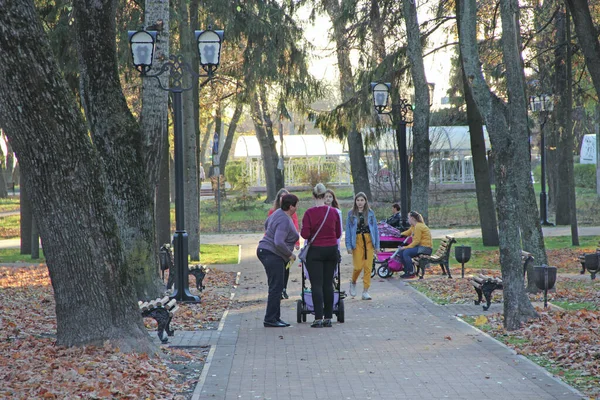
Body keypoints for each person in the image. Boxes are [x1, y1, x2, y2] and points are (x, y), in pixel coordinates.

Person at [301, 183, 342, 328]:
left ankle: (318, 317)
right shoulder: (334, 213)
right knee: (328, 284)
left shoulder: (309, 213)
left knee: (316, 284)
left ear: (313, 196)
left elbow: (305, 234)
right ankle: (329, 317)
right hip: (331, 250)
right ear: (325, 196)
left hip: (315, 251)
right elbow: (338, 234)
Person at [257, 194, 300, 327]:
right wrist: (290, 254)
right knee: (276, 287)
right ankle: (270, 319)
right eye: (296, 204)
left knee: (277, 287)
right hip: (271, 254)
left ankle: (275, 317)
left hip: (267, 251)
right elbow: (278, 242)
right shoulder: (284, 220)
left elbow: (266, 224)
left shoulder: (278, 213)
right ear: (291, 206)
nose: (298, 207)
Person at [346, 192, 380, 300]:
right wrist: (348, 246)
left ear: (365, 201)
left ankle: (365, 291)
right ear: (355, 201)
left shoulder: (370, 213)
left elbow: (375, 230)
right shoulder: (351, 214)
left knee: (368, 267)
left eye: (362, 200)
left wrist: (377, 246)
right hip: (356, 241)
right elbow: (348, 231)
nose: (360, 202)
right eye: (358, 200)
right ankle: (353, 281)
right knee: (358, 267)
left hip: (369, 241)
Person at [268, 188, 300, 299]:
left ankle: (283, 288)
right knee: (277, 269)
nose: (283, 198)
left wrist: (297, 241)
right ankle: (277, 289)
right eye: (281, 196)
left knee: (286, 267)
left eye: (285, 196)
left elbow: (295, 227)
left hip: (287, 244)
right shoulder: (274, 212)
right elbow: (267, 225)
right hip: (278, 245)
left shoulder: (292, 213)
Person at [396, 211, 433, 279]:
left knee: (406, 252)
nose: (408, 219)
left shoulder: (418, 226)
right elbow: (408, 232)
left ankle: (411, 272)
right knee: (401, 252)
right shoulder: (414, 226)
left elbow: (416, 241)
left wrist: (405, 247)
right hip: (420, 247)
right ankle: (407, 270)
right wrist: (399, 234)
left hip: (425, 248)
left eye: (408, 218)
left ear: (413, 218)